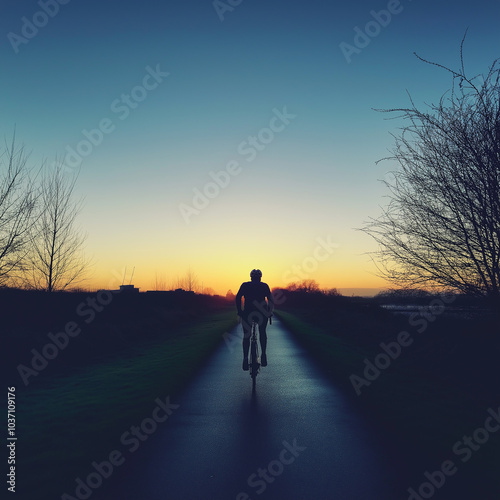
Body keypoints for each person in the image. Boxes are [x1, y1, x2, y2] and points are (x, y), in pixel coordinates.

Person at [235, 269, 274, 371]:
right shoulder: (264, 286)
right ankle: (264, 354)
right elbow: (270, 299)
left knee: (246, 335)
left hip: (248, 313)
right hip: (262, 313)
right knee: (262, 332)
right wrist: (269, 312)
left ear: (251, 277)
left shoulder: (245, 285)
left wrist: (240, 311)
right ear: (260, 277)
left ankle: (245, 358)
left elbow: (238, 297)